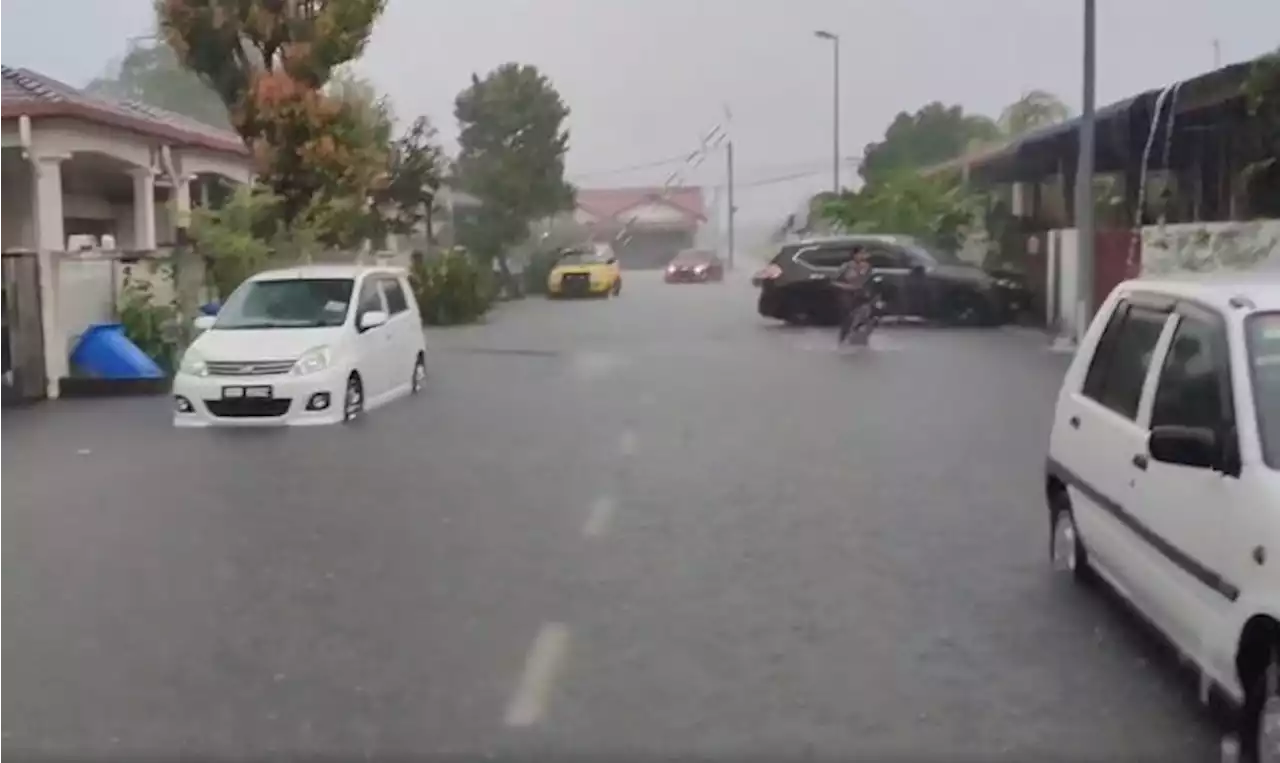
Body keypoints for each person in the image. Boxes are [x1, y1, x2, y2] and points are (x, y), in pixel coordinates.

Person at [831, 248, 876, 344]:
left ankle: (860, 339)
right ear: (854, 255)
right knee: (848, 318)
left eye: (864, 253)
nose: (863, 256)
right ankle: (843, 340)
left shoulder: (867, 267)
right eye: (861, 253)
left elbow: (867, 281)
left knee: (865, 316)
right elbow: (835, 281)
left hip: (862, 294)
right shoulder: (846, 266)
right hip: (847, 294)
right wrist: (846, 286)